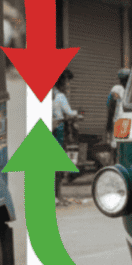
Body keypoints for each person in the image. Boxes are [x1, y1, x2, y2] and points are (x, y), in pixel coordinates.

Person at [53, 71, 80, 201]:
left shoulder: (52, 95)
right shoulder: (60, 96)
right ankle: (57, 195)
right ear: (62, 82)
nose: (68, 84)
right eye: (67, 81)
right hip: (59, 130)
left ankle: (56, 195)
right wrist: (78, 114)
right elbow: (69, 112)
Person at [105, 68, 129, 162]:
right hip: (125, 121)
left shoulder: (118, 89)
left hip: (121, 121)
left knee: (117, 146)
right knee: (121, 146)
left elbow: (111, 107)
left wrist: (108, 126)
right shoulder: (130, 90)